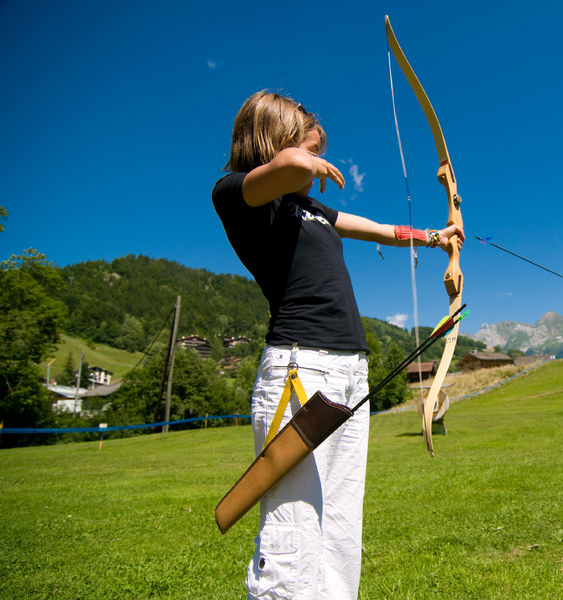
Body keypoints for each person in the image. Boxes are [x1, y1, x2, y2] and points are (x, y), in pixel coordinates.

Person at [212, 90, 464, 600]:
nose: (316, 152)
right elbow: (287, 169)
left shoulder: (312, 208)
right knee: (294, 526)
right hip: (299, 368)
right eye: (308, 140)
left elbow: (377, 229)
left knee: (341, 526)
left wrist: (435, 237)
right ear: (273, 135)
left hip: (350, 371)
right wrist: (300, 158)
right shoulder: (236, 194)